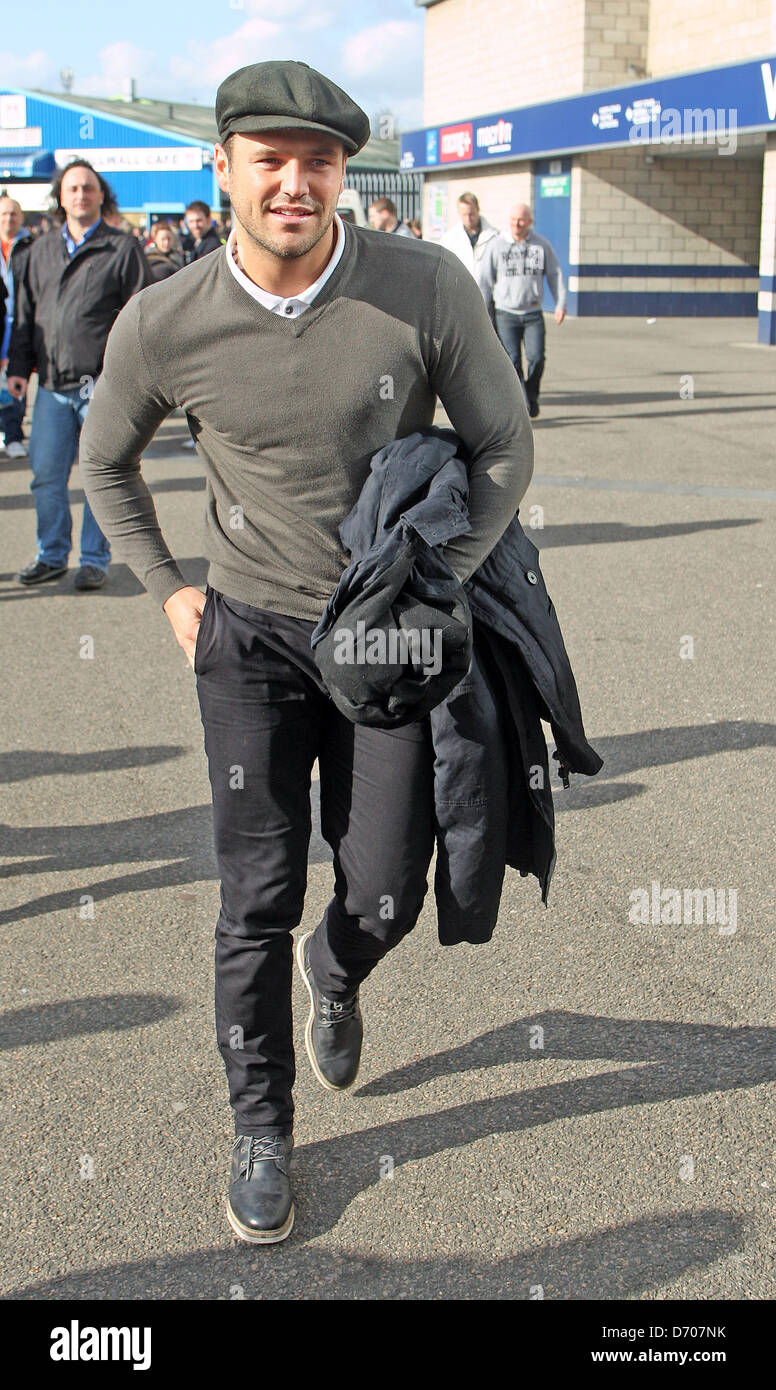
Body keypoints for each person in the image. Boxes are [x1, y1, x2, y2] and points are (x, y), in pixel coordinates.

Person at [79, 59, 533, 1244]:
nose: (293, 180)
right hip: (249, 639)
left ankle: (335, 974)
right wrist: (169, 589)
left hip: (386, 636)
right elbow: (103, 464)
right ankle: (262, 1122)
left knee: (381, 887)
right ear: (221, 168)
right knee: (253, 897)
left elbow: (501, 443)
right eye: (267, 158)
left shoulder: (423, 286)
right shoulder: (165, 318)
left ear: (344, 170)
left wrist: (440, 572)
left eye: (317, 159)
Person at [7, 160, 151, 588]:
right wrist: (18, 369)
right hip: (50, 387)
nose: (80, 195)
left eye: (89, 187)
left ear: (101, 194)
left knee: (98, 476)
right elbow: (25, 318)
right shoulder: (38, 252)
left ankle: (94, 559)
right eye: (72, 188)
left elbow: (140, 315)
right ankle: (51, 554)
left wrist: (129, 376)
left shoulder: (122, 249)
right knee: (46, 475)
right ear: (60, 197)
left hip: (101, 387)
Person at [477, 203, 566, 419]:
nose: (517, 224)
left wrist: (560, 303)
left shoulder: (540, 245)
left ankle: (531, 394)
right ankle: (523, 405)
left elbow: (554, 274)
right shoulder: (497, 245)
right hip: (505, 313)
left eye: (521, 220)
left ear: (529, 222)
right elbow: (485, 281)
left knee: (537, 358)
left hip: (533, 313)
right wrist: (480, 312)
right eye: (513, 219)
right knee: (513, 361)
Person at [0, 196, 33, 457]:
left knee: (16, 376)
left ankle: (13, 434)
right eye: (4, 214)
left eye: (13, 214)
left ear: (21, 217)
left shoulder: (30, 247)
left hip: (21, 322)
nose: (8, 219)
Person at [441, 192, 499, 280]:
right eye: (464, 214)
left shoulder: (494, 236)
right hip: (461, 291)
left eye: (471, 214)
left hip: (487, 292)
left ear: (478, 209)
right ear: (459, 213)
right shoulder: (450, 239)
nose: (468, 218)